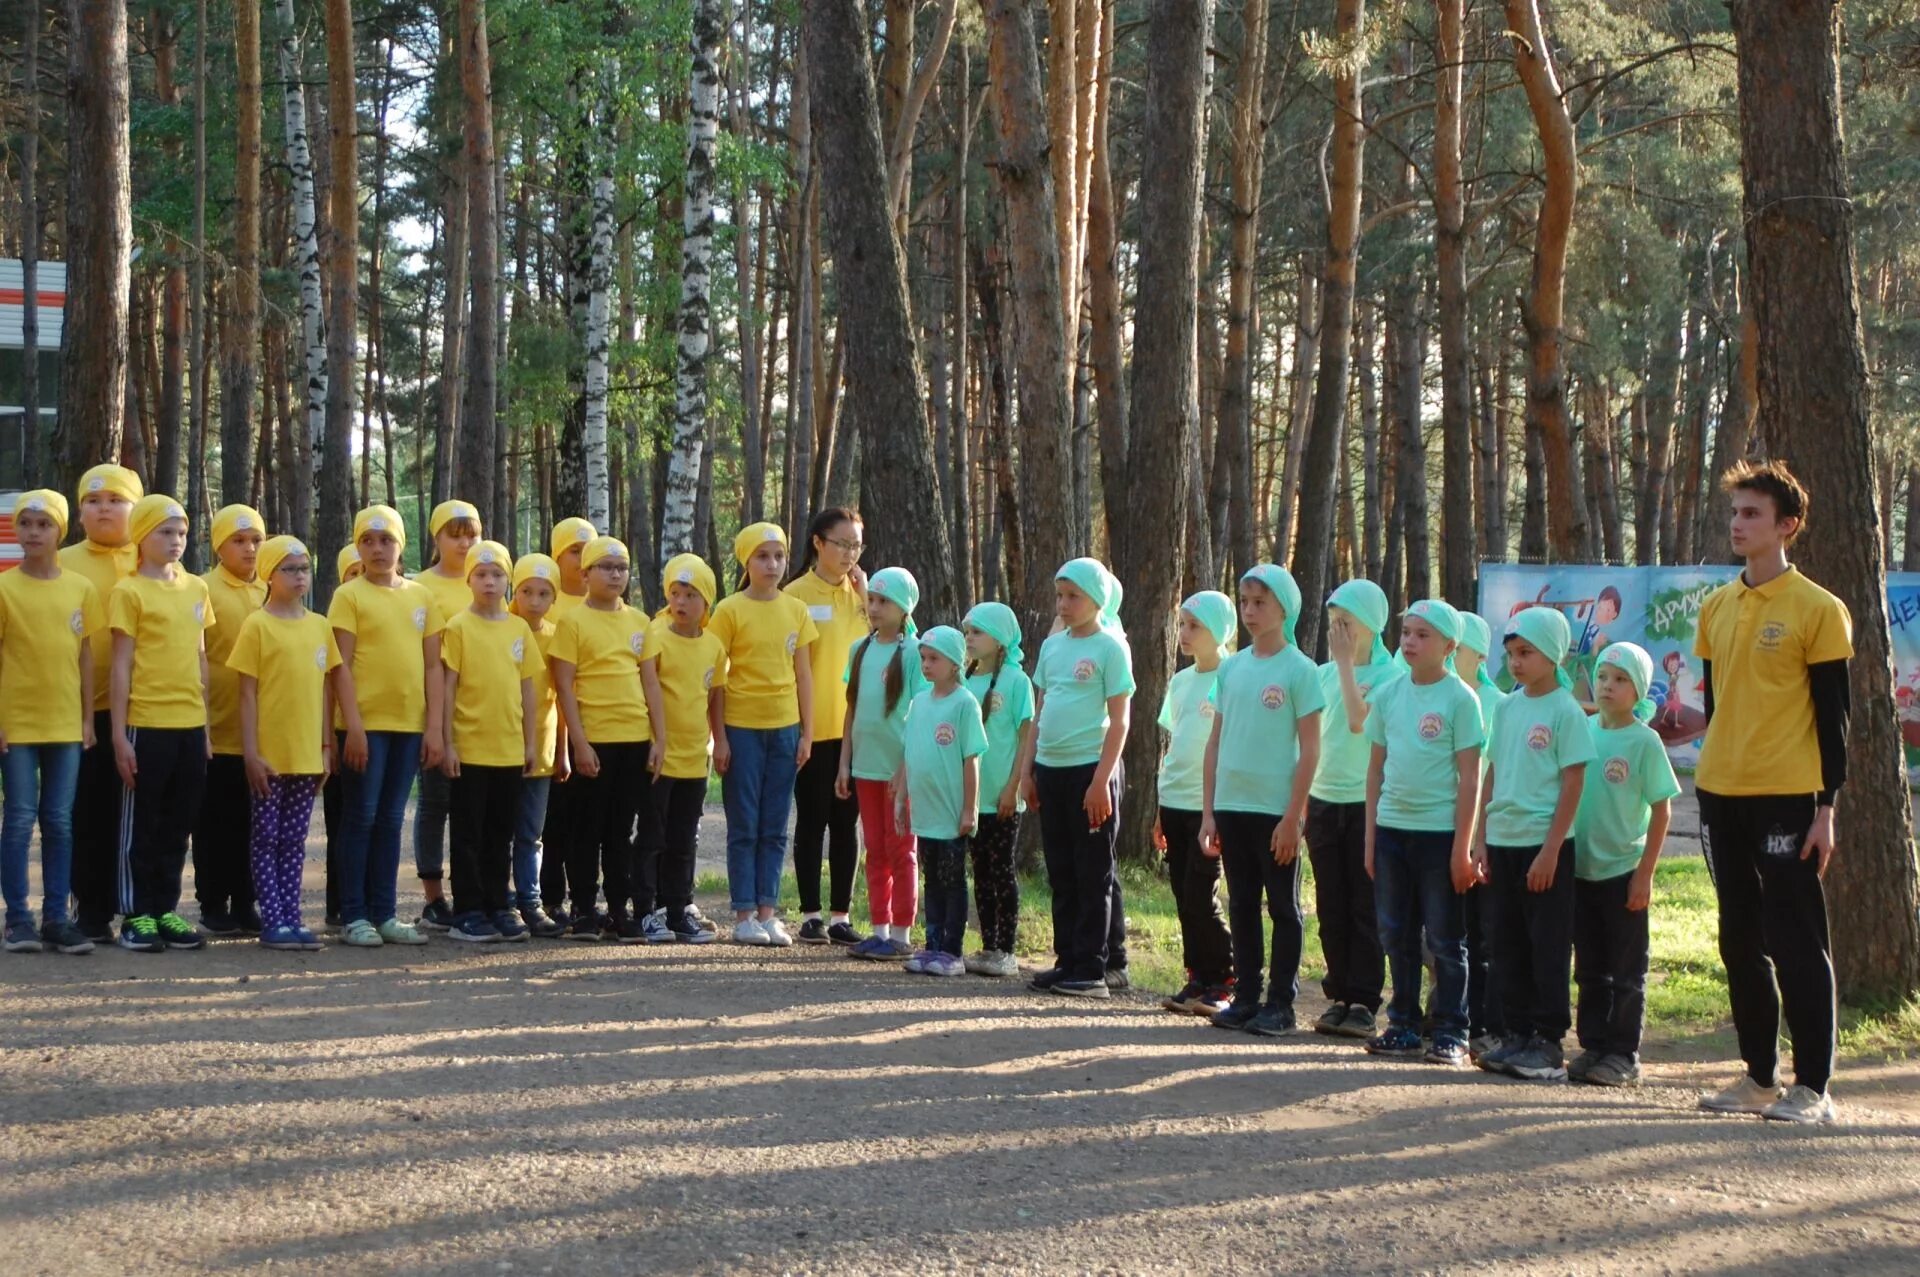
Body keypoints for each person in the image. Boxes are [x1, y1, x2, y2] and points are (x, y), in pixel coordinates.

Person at [1694, 460, 1852, 1125]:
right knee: (1739, 937)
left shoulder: (1818, 608)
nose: (1738, 523)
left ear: (1786, 525)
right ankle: (1760, 1076)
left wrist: (1827, 809)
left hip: (1789, 796)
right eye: (1734, 512)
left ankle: (1812, 1086)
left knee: (1795, 938)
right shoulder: (1716, 605)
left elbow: (1835, 716)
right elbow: (1714, 700)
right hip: (1718, 792)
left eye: (1752, 513)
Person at [1200, 566, 1324, 1036]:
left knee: (1283, 907)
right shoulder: (1231, 667)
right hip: (1233, 806)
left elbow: (1311, 748)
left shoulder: (1300, 670)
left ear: (1284, 608)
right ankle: (1247, 997)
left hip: (1277, 812)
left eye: (1260, 603)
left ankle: (1281, 1004)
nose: (1250, 611)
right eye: (1245, 601)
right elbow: (1216, 741)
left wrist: (1294, 816)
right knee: (1242, 904)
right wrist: (1209, 811)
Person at [1363, 598, 1484, 1066]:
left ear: (1450, 646)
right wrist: (1372, 838)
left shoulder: (1461, 700)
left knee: (1445, 941)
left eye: (1422, 635)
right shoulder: (1390, 694)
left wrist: (1463, 848)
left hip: (1439, 836)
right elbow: (1375, 770)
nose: (1410, 642)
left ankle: (1452, 1031)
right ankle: (1403, 1025)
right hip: (1393, 831)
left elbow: (1471, 778)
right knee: (1396, 933)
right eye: (1407, 633)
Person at [1475, 607, 1593, 1082]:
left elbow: (1573, 783)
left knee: (1546, 944)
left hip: (1545, 847)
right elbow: (1493, 771)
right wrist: (1481, 838)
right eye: (1511, 654)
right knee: (1507, 943)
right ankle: (1516, 1034)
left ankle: (1547, 1043)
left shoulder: (1566, 710)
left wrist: (1550, 849)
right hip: (1502, 840)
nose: (1517, 662)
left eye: (1526, 653)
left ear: (1553, 654)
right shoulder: (1506, 706)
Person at [1020, 558, 1134, 1000]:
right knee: (1062, 870)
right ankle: (1066, 959)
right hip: (1051, 769)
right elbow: (1040, 711)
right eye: (1060, 596)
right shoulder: (1053, 647)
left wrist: (1101, 781)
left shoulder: (1110, 646)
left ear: (1097, 599)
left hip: (1092, 770)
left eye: (1074, 596)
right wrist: (1028, 771)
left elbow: (1121, 721)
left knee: (1093, 872)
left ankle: (1092, 967)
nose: (1063, 605)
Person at [329, 505, 440, 948]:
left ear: (401, 545)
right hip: (365, 726)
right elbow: (341, 667)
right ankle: (354, 915)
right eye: (368, 542)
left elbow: (433, 666)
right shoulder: (349, 596)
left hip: (408, 725)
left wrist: (433, 726)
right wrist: (352, 726)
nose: (378, 549)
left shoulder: (421, 597)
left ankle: (386, 913)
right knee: (361, 816)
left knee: (392, 819)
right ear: (358, 547)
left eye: (386, 540)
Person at [108, 495, 214, 953]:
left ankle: (165, 908)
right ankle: (136, 913)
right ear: (142, 536)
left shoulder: (196, 589)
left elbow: (201, 656)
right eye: (164, 532)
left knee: (179, 822)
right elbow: (120, 666)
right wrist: (118, 735)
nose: (174, 541)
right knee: (143, 823)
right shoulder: (128, 591)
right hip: (146, 723)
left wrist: (206, 728)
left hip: (190, 725)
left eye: (181, 533)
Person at [1570, 642, 1679, 1088]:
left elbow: (1663, 809)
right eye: (1602, 677)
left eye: (1619, 680)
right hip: (1581, 870)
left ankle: (1623, 1053)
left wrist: (1644, 874)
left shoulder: (1644, 741)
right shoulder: (1584, 730)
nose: (1608, 687)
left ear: (1638, 690)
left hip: (1622, 873)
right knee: (1589, 966)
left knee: (1627, 970)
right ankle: (1593, 1045)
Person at [0, 490, 103, 954]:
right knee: (20, 819)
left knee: (59, 821)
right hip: (16, 724)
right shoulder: (4, 588)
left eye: (44, 525)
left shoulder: (79, 588)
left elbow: (85, 658)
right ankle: (18, 919)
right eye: (27, 524)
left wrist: (87, 719)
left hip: (65, 724)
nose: (34, 533)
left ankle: (57, 918)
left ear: (60, 531)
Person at [227, 536, 342, 951]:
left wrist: (326, 748)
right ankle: (273, 919)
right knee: (266, 837)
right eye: (289, 569)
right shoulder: (257, 625)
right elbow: (246, 694)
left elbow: (326, 691)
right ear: (269, 576)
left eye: (304, 568)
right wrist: (252, 753)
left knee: (295, 840)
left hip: (307, 754)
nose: (299, 576)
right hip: (270, 755)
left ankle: (293, 917)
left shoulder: (319, 626)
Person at [1304, 579, 1403, 1040]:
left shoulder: (1391, 676)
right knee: (1331, 903)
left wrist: (1345, 665)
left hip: (1367, 804)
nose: (1337, 632)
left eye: (1347, 622)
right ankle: (1339, 992)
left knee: (1364, 905)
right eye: (1333, 623)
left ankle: (1364, 999)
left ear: (1371, 625)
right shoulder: (1324, 674)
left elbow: (1359, 720)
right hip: (1324, 800)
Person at [710, 522, 817, 947]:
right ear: (746, 561)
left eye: (778, 556)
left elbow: (803, 673)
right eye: (762, 556)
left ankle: (769, 912)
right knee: (745, 823)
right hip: (742, 729)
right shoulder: (729, 610)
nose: (772, 564)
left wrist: (807, 732)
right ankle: (743, 913)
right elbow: (715, 679)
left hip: (785, 728)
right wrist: (718, 736)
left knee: (775, 823)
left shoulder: (796, 610)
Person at [550, 535, 653, 943]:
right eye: (605, 567)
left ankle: (618, 908)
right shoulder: (573, 621)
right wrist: (579, 743)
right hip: (594, 741)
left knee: (619, 830)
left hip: (634, 738)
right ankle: (584, 908)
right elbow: (564, 686)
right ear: (585, 573)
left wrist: (657, 738)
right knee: (585, 829)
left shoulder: (640, 622)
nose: (615, 574)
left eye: (621, 567)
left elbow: (650, 684)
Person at [440, 540, 541, 944]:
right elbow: (448, 688)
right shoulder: (458, 627)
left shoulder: (518, 629)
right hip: (470, 749)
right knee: (468, 834)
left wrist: (530, 743)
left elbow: (529, 689)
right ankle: (468, 910)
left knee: (502, 833)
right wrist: (447, 742)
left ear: (508, 582)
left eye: (497, 574)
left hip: (509, 750)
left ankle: (500, 904)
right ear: (469, 580)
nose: (489, 582)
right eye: (481, 574)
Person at [63, 463, 143, 943]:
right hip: (81, 710)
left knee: (138, 815)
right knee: (87, 811)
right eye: (93, 501)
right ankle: (90, 910)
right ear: (79, 512)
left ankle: (139, 908)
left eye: (116, 499)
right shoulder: (63, 560)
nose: (104, 509)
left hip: (146, 710)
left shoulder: (153, 559)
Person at [785, 507, 869, 945]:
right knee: (812, 819)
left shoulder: (864, 597)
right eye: (842, 544)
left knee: (846, 822)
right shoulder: (796, 594)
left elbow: (893, 639)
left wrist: (867, 593)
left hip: (856, 731)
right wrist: (801, 728)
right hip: (812, 730)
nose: (849, 554)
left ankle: (841, 914)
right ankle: (811, 913)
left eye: (856, 545)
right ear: (818, 542)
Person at [640, 553, 727, 944]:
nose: (680, 602)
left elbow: (715, 696)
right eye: (675, 592)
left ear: (706, 602)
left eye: (691, 594)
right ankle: (645, 910)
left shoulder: (713, 646)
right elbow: (648, 690)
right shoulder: (654, 636)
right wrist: (655, 742)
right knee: (651, 835)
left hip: (696, 756)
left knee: (682, 836)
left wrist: (719, 739)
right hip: (660, 755)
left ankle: (677, 910)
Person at [1153, 591, 1234, 1013]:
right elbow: (1174, 743)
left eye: (1194, 626)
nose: (1184, 633)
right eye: (1181, 624)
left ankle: (1224, 977)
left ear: (1219, 631)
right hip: (1175, 801)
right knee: (1184, 896)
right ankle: (1197, 977)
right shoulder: (1181, 681)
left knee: (1203, 893)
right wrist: (1158, 807)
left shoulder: (1233, 675)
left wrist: (1215, 810)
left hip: (1211, 806)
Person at [842, 567, 928, 960]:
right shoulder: (859, 649)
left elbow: (922, 712)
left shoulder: (914, 654)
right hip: (865, 769)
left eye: (883, 601)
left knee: (902, 851)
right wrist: (845, 764)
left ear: (904, 607)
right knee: (875, 850)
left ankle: (901, 933)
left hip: (900, 772)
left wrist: (905, 770)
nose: (873, 608)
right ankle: (878, 930)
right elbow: (852, 709)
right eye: (871, 600)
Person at [195, 504, 268, 937]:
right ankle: (212, 902)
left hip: (261, 732)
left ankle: (246, 900)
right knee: (213, 820)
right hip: (217, 725)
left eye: (256, 540)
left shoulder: (271, 590)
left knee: (254, 823)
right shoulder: (203, 589)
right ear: (219, 545)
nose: (249, 548)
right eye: (239, 541)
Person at [896, 625, 986, 978]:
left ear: (955, 663)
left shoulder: (965, 703)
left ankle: (952, 950)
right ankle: (932, 944)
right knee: (931, 879)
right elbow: (909, 752)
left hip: (951, 813)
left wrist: (969, 808)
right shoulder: (919, 702)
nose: (927, 665)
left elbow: (972, 758)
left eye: (934, 659)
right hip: (926, 811)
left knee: (952, 880)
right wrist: (902, 797)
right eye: (923, 658)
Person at [413, 499, 483, 930]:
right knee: (436, 800)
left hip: (481, 713)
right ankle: (434, 896)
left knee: (474, 807)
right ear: (436, 539)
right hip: (434, 709)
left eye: (470, 533)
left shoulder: (486, 580)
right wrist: (432, 723)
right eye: (454, 534)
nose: (464, 542)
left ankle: (473, 891)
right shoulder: (420, 587)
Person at [961, 602, 1034, 979]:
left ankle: (1006, 949)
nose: (969, 639)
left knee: (1001, 869)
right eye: (967, 632)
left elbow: (1025, 737)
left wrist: (1014, 786)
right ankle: (988, 945)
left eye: (977, 632)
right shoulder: (965, 679)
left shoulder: (1017, 682)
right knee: (981, 871)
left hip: (1002, 797)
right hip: (971, 799)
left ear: (1001, 638)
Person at [1455, 611, 1509, 1056]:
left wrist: (1480, 837)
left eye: (1458, 649)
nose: (1450, 656)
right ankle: (1450, 1014)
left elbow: (1491, 776)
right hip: (1444, 832)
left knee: (1484, 933)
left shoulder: (1498, 704)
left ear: (1480, 656)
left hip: (1483, 837)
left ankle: (1487, 1023)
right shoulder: (1433, 694)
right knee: (1447, 933)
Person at [540, 518, 597, 923]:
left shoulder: (607, 603)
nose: (581, 561)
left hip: (599, 728)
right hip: (554, 729)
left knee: (587, 822)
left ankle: (586, 900)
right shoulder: (545, 601)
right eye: (574, 552)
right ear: (557, 556)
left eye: (588, 552)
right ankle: (550, 898)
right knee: (554, 820)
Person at [507, 553, 566, 937]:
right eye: (526, 591)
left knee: (531, 831)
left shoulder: (556, 636)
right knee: (499, 830)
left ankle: (531, 901)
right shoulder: (502, 628)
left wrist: (561, 752)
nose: (534, 600)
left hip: (542, 746)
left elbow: (561, 695)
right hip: (501, 746)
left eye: (543, 593)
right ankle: (500, 900)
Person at [321, 542, 365, 930]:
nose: (358, 578)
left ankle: (364, 899)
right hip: (342, 730)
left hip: (378, 727)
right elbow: (330, 681)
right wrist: (328, 741)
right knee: (344, 819)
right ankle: (339, 903)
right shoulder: (337, 618)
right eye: (352, 573)